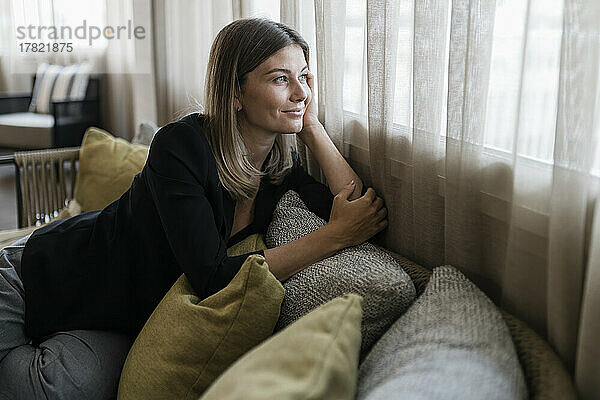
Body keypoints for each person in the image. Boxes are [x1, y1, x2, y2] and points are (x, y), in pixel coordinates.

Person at [0, 18, 387, 398]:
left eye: (304, 77)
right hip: (34, 276)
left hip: (110, 317)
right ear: (235, 92)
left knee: (55, 389)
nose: (300, 92)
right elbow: (212, 275)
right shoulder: (181, 145)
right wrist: (334, 236)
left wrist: (312, 126)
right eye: (280, 79)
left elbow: (360, 210)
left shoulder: (278, 170)